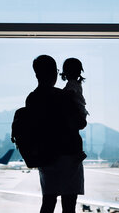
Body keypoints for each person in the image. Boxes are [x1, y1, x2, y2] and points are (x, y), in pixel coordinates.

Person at [25, 55, 87, 213]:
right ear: (54, 72)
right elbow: (80, 123)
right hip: (69, 156)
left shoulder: (32, 99)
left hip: (45, 157)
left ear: (36, 74)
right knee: (69, 205)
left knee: (48, 202)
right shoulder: (63, 96)